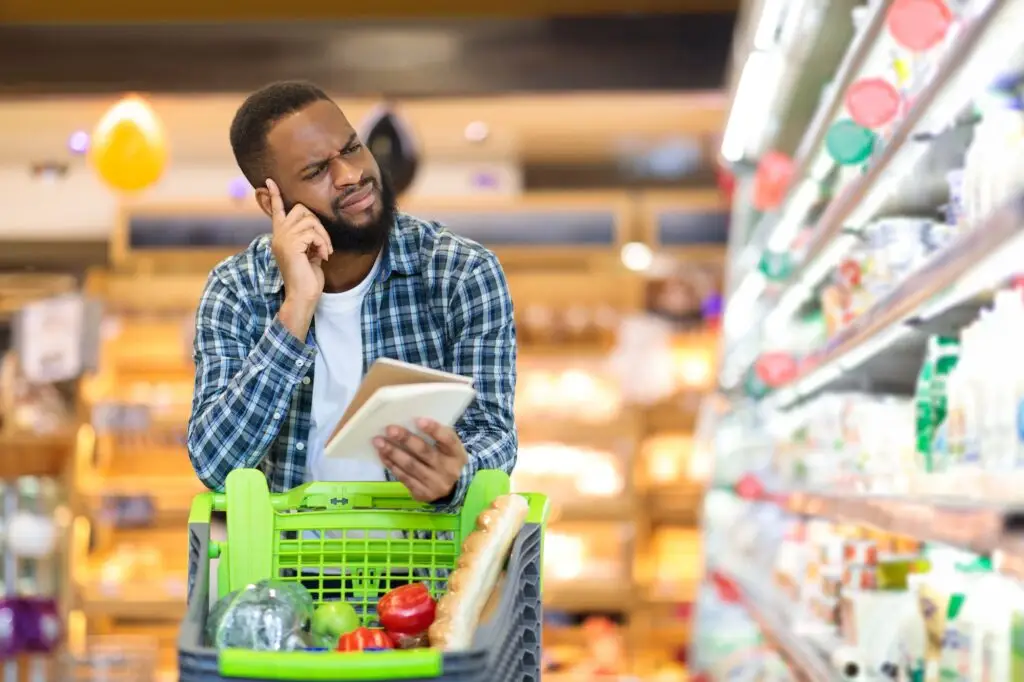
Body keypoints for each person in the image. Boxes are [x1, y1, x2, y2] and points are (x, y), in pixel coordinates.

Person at [186, 80, 517, 512]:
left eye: (351, 148)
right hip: (284, 574)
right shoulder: (237, 290)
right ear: (272, 203)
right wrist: (295, 312)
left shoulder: (461, 272)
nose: (351, 175)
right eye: (316, 171)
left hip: (425, 569)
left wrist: (457, 475)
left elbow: (495, 435)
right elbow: (216, 464)